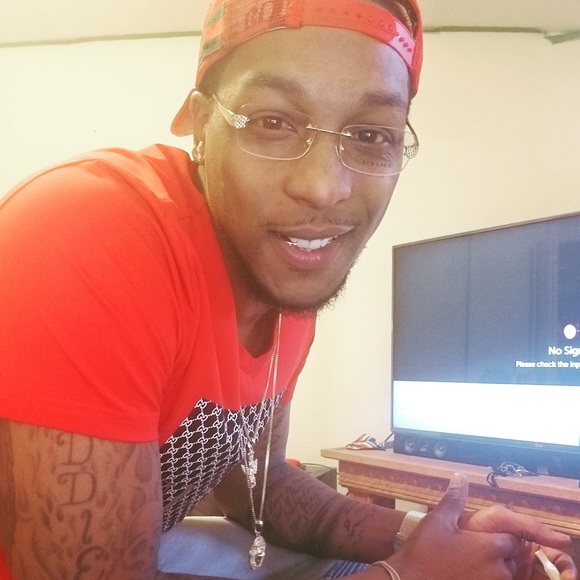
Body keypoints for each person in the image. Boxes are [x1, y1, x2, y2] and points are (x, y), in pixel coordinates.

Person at [0, 0, 577, 578]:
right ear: (201, 125)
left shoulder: (284, 278)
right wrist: (410, 574)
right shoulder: (88, 233)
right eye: (272, 122)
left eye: (370, 134)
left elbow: (262, 489)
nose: (323, 188)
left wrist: (429, 538)